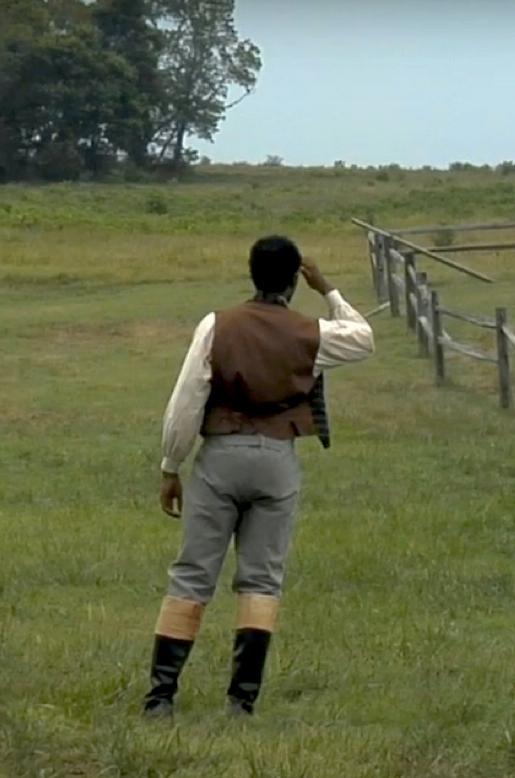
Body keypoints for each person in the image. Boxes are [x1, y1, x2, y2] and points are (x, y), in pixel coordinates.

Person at [143, 236, 374, 719]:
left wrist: (171, 465)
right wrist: (327, 289)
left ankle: (161, 697)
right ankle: (241, 701)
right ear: (294, 281)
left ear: (251, 273)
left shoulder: (216, 325)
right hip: (276, 460)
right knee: (261, 581)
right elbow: (363, 337)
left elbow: (187, 401)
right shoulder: (311, 333)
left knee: (192, 573)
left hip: (221, 456)